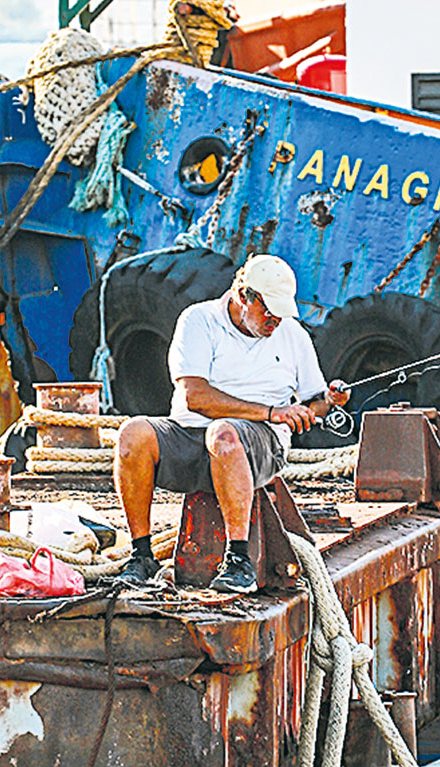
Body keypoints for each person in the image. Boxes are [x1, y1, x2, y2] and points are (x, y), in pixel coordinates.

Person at [114, 254, 349, 593]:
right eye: (268, 311)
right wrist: (270, 411)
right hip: (196, 433)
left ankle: (239, 560)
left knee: (223, 434)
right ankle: (141, 555)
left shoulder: (293, 335)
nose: (275, 321)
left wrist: (329, 401)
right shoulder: (198, 320)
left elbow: (316, 402)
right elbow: (195, 397)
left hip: (258, 442)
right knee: (132, 434)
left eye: (282, 313)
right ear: (243, 296)